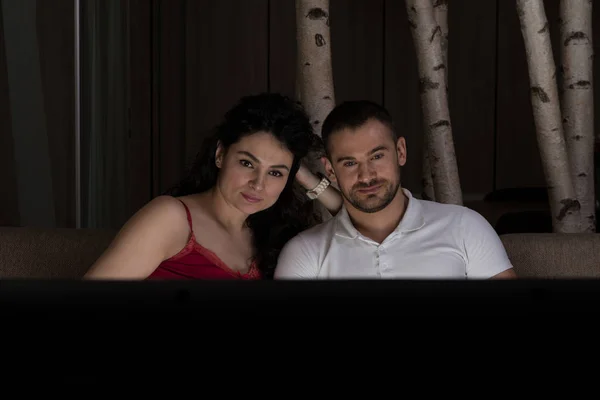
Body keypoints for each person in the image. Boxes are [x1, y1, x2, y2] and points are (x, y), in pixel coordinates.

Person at [84, 93, 341, 280]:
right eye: (247, 163)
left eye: (275, 172)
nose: (259, 184)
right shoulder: (170, 218)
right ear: (220, 154)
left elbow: (362, 225)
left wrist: (305, 176)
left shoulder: (271, 235)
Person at [274, 100, 517, 279]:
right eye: (350, 163)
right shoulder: (305, 252)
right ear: (330, 170)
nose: (366, 175)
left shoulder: (465, 227)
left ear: (400, 151)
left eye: (377, 156)